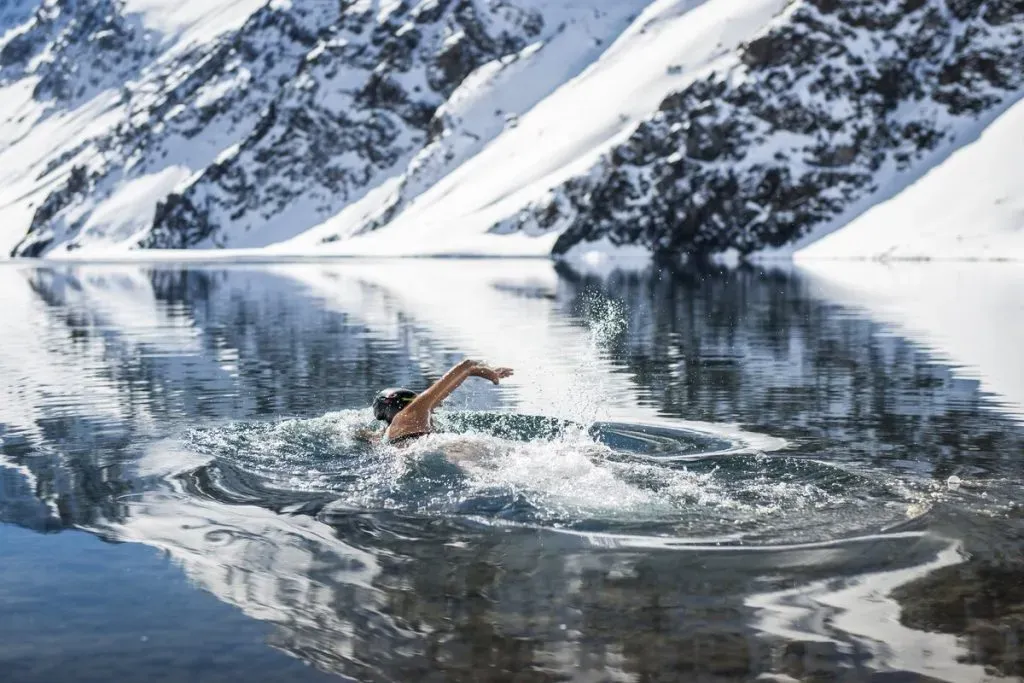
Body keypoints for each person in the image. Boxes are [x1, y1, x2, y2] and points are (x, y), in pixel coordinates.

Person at [372, 359, 514, 445]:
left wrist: (473, 371)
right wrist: (489, 371)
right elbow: (466, 364)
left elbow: (442, 391)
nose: (430, 410)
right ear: (407, 405)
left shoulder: (391, 433)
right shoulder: (409, 415)